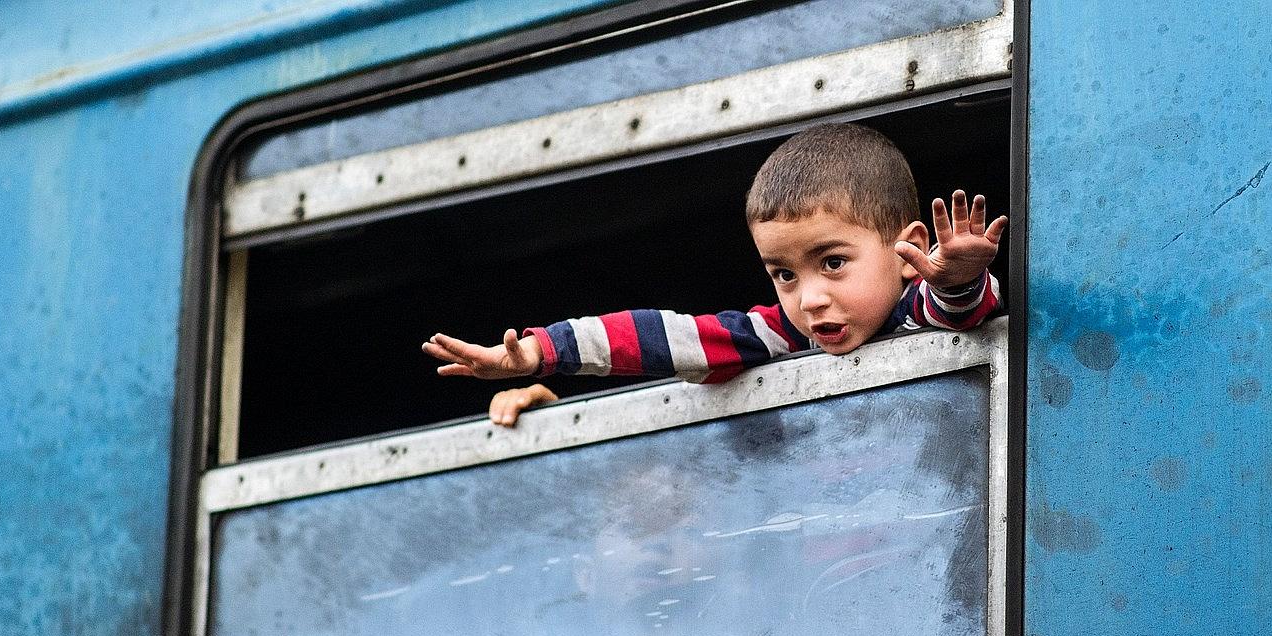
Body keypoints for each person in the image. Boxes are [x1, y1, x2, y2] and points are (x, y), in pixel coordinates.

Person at [421, 123, 1007, 426]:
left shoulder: (916, 314)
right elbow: (661, 339)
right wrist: (540, 353)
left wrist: (954, 279)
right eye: (784, 274)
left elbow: (955, 311)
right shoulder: (778, 335)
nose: (810, 299)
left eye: (833, 263)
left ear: (909, 251)